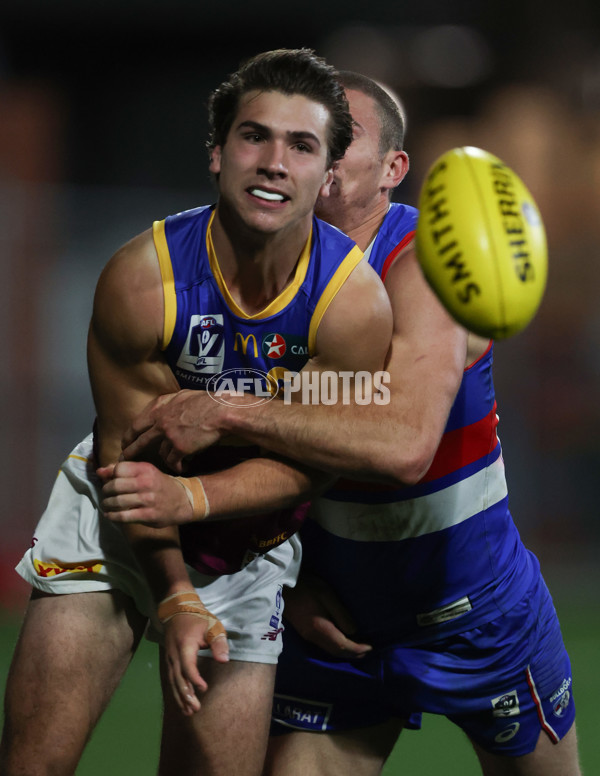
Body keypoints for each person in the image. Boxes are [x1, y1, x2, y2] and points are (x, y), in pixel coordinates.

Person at [114, 73, 581, 775]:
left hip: (477, 611)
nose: (315, 147)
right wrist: (289, 581)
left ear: (394, 169)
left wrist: (231, 407)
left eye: (341, 132)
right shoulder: (254, 273)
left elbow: (405, 448)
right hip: (341, 625)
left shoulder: (426, 265)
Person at [0, 51, 395, 776]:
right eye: (254, 137)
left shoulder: (353, 307)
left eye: (301, 146)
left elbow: (313, 466)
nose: (274, 162)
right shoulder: (141, 280)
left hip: (245, 554)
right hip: (119, 527)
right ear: (218, 154)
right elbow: (129, 463)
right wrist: (174, 595)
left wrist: (205, 479)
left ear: (328, 173)